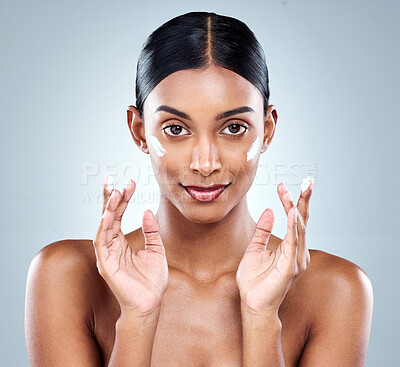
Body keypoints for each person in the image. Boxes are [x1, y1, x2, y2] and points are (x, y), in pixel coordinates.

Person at [24, 11, 373, 367]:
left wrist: (262, 317)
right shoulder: (66, 277)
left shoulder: (336, 290)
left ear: (267, 130)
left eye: (234, 128)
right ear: (139, 130)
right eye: (176, 129)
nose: (205, 164)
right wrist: (137, 317)